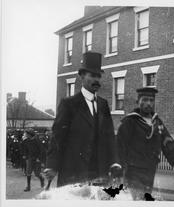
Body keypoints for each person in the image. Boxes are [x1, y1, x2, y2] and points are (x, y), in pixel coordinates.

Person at [44, 51, 121, 187]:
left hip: (99, 174)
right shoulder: (69, 104)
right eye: (92, 75)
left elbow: (109, 136)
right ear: (82, 76)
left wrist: (114, 161)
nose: (96, 80)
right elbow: (57, 138)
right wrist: (52, 166)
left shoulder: (103, 104)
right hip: (73, 172)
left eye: (98, 76)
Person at [117, 87, 174, 200]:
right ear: (138, 102)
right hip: (133, 170)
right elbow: (119, 146)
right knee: (137, 199)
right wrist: (118, 170)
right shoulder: (130, 121)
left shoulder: (157, 122)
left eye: (151, 100)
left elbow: (167, 142)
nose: (149, 103)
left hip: (150, 170)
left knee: (145, 198)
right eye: (145, 100)